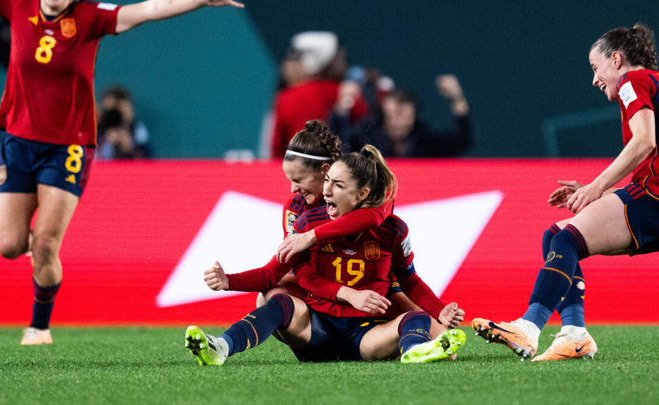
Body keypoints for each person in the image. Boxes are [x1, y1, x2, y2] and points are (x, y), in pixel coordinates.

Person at [0, 0, 245, 345]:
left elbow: (151, 9)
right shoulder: (17, 6)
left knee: (44, 246)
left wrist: (202, 0)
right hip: (18, 141)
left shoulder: (90, 17)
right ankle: (31, 245)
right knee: (9, 246)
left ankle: (39, 326)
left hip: (67, 147)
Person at [472, 23, 659, 361]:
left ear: (616, 59)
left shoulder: (634, 81)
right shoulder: (654, 83)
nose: (594, 79)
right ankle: (574, 334)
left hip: (654, 198)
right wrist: (596, 191)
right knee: (557, 235)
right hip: (649, 196)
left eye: (595, 67)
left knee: (564, 239)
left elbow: (644, 141)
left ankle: (530, 327)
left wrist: (596, 188)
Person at [187, 145, 466, 365]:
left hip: (365, 334)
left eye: (338, 185)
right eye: (328, 181)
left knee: (415, 321)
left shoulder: (392, 229)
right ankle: (220, 347)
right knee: (277, 302)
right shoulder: (307, 220)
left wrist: (439, 309)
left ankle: (415, 353)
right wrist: (228, 281)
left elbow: (411, 281)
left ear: (362, 194)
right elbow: (272, 273)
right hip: (316, 328)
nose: (326, 191)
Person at [270, 31, 369, 159]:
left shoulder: (285, 97)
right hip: (338, 172)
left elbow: (276, 146)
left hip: (295, 172)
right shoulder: (345, 92)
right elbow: (367, 129)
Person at [332, 76, 472, 157]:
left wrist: (457, 98)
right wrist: (342, 108)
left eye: (405, 114)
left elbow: (462, 141)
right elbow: (339, 146)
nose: (398, 121)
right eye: (394, 114)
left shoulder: (425, 141)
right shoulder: (366, 139)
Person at [97, 86, 151, 159]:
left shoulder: (136, 129)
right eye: (109, 111)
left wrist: (128, 147)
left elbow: (147, 159)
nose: (113, 115)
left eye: (117, 111)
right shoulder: (95, 129)